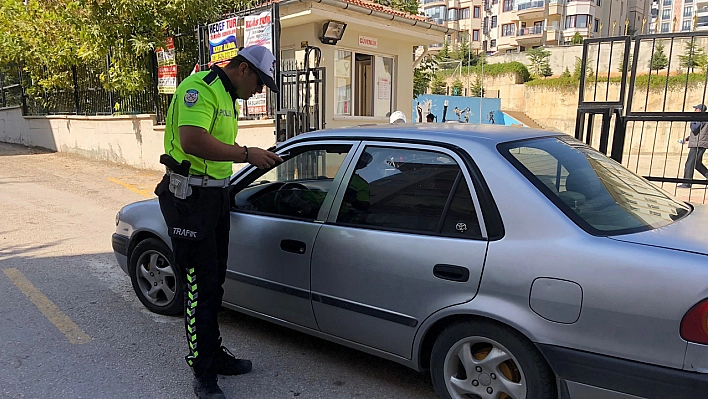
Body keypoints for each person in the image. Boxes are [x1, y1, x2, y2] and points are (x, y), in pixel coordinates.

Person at [154, 45, 282, 399]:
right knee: (199, 286)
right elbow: (192, 140)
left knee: (214, 281)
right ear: (243, 69)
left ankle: (214, 353)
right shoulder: (201, 88)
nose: (260, 91)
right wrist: (246, 154)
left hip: (215, 198)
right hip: (190, 200)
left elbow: (215, 142)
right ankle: (203, 371)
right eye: (260, 82)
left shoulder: (228, 96)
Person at [678, 104, 708, 188]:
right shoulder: (704, 118)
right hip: (701, 143)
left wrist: (692, 119)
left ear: (700, 110)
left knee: (690, 163)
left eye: (696, 109)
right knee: (697, 164)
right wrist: (687, 139)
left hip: (697, 144)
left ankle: (686, 183)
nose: (694, 110)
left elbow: (694, 128)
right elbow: (698, 132)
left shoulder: (700, 118)